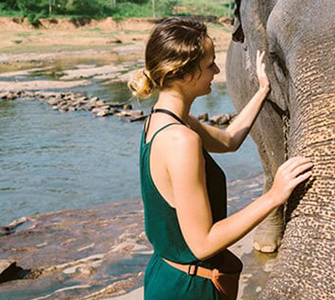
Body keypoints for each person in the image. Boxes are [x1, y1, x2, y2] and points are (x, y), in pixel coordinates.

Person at [127, 18, 313, 300]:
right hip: (189, 288)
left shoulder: (161, 119)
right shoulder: (181, 141)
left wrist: (262, 90)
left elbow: (230, 140)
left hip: (166, 273)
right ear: (183, 73)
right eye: (209, 64)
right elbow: (203, 243)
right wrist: (274, 196)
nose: (216, 71)